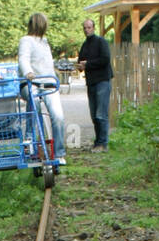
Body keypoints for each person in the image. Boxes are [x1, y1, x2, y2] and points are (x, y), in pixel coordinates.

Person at [17, 12, 66, 164]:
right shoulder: (26, 40)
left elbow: (46, 64)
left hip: (49, 84)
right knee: (34, 107)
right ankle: (30, 145)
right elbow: (23, 58)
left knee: (58, 116)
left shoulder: (45, 42)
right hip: (32, 83)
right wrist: (28, 72)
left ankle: (59, 153)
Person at [77, 18, 113, 151]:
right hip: (91, 82)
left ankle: (103, 144)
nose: (87, 30)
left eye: (89, 27)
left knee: (101, 114)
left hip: (102, 81)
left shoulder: (101, 42)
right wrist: (80, 66)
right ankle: (98, 142)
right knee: (94, 115)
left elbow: (105, 59)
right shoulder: (84, 45)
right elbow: (81, 61)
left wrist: (88, 64)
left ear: (94, 28)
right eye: (85, 28)